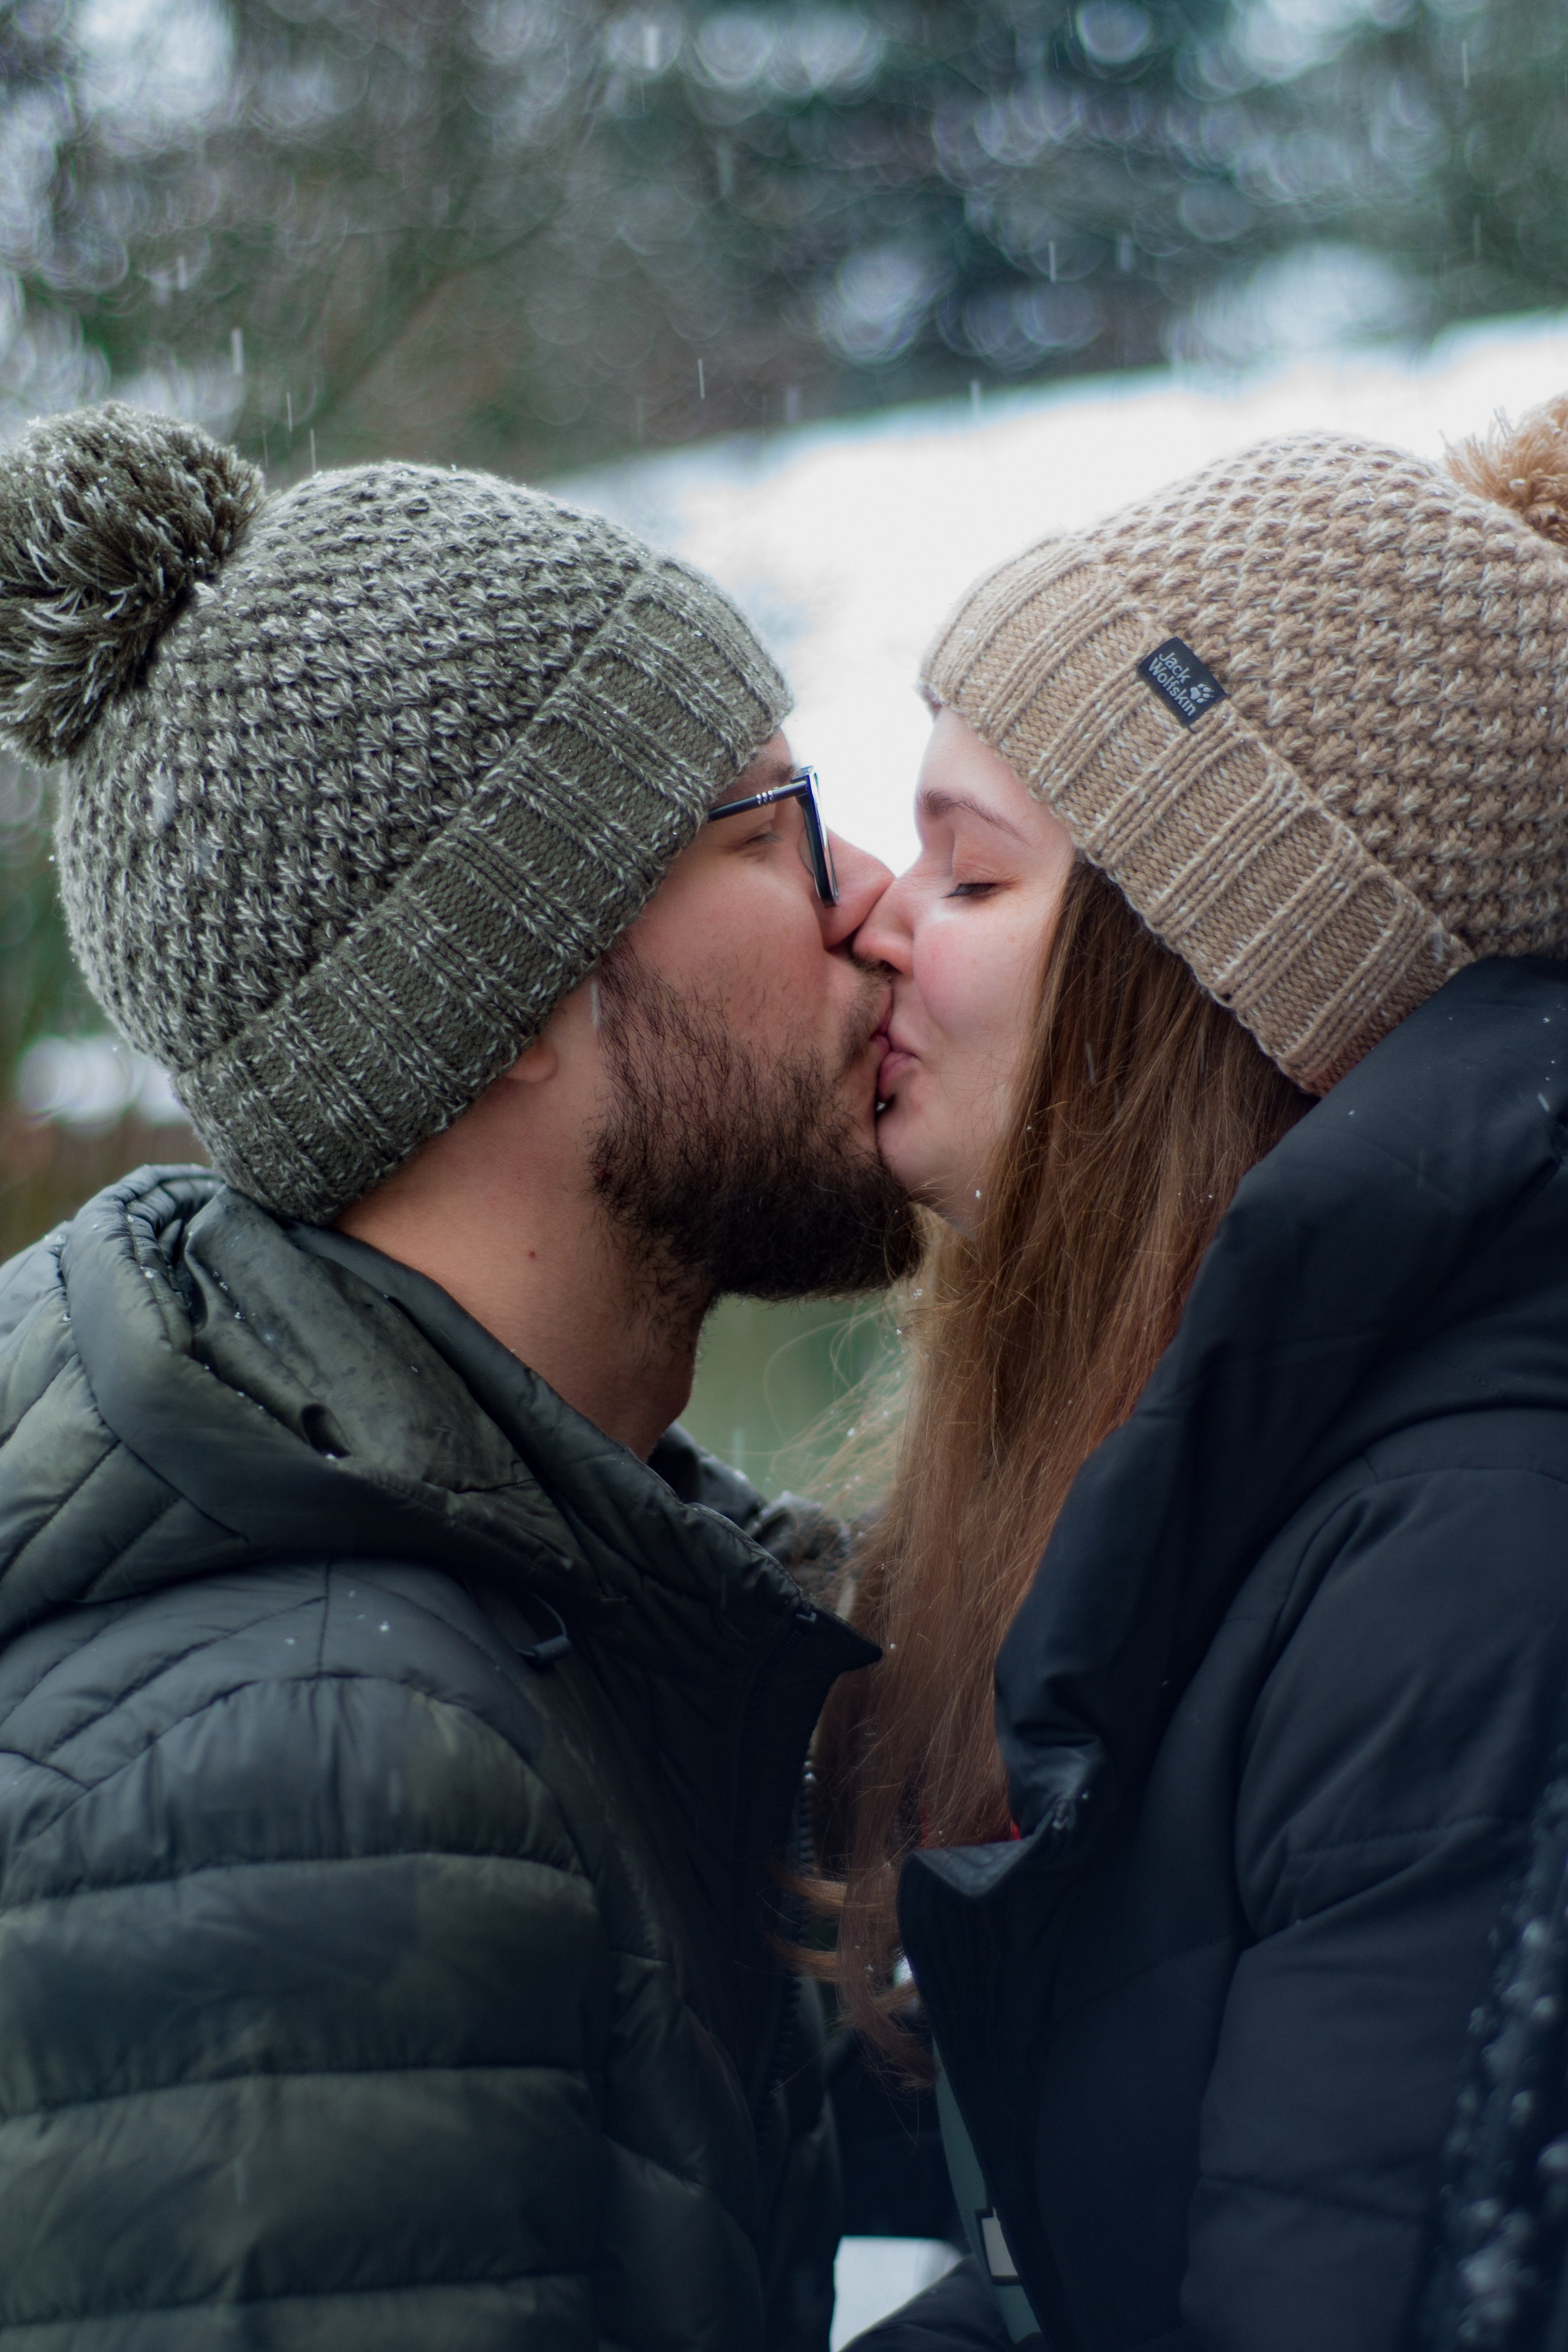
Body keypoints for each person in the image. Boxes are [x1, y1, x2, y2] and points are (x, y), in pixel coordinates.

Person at [0, 404, 920, 2348]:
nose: (875, 905)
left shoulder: (553, 1603)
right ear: (514, 993)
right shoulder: (305, 1769)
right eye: (779, 831)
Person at [813, 396, 1568, 2350]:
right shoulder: (1234, 1472)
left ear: (1222, 989)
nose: (874, 924)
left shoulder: (1469, 1572)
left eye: (972, 878)